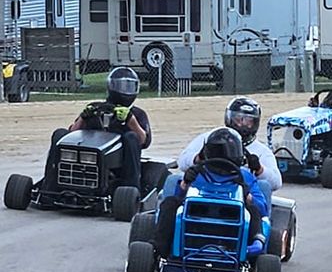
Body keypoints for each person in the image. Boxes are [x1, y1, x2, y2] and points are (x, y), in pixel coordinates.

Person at [152, 127, 269, 259]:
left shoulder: (246, 177)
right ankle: (159, 249)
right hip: (196, 218)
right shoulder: (197, 172)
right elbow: (178, 198)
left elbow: (262, 210)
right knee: (170, 203)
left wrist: (247, 196)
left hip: (231, 222)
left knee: (252, 210)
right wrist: (184, 184)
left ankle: (252, 252)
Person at [43, 66, 151, 191]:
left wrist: (131, 121)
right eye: (121, 86)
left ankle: (131, 187)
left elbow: (144, 141)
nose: (125, 90)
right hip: (86, 155)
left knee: (131, 137)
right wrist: (84, 117)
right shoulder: (95, 107)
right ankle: (49, 184)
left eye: (128, 87)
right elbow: (71, 133)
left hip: (117, 163)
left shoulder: (137, 114)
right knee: (59, 133)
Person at [177, 96, 282, 193]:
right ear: (229, 118)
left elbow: (276, 183)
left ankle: (261, 214)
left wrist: (259, 169)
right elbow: (181, 162)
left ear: (255, 123)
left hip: (240, 192)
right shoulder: (210, 138)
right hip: (206, 185)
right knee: (173, 180)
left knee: (263, 186)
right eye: (237, 119)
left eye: (247, 121)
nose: (241, 124)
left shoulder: (262, 151)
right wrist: (198, 158)